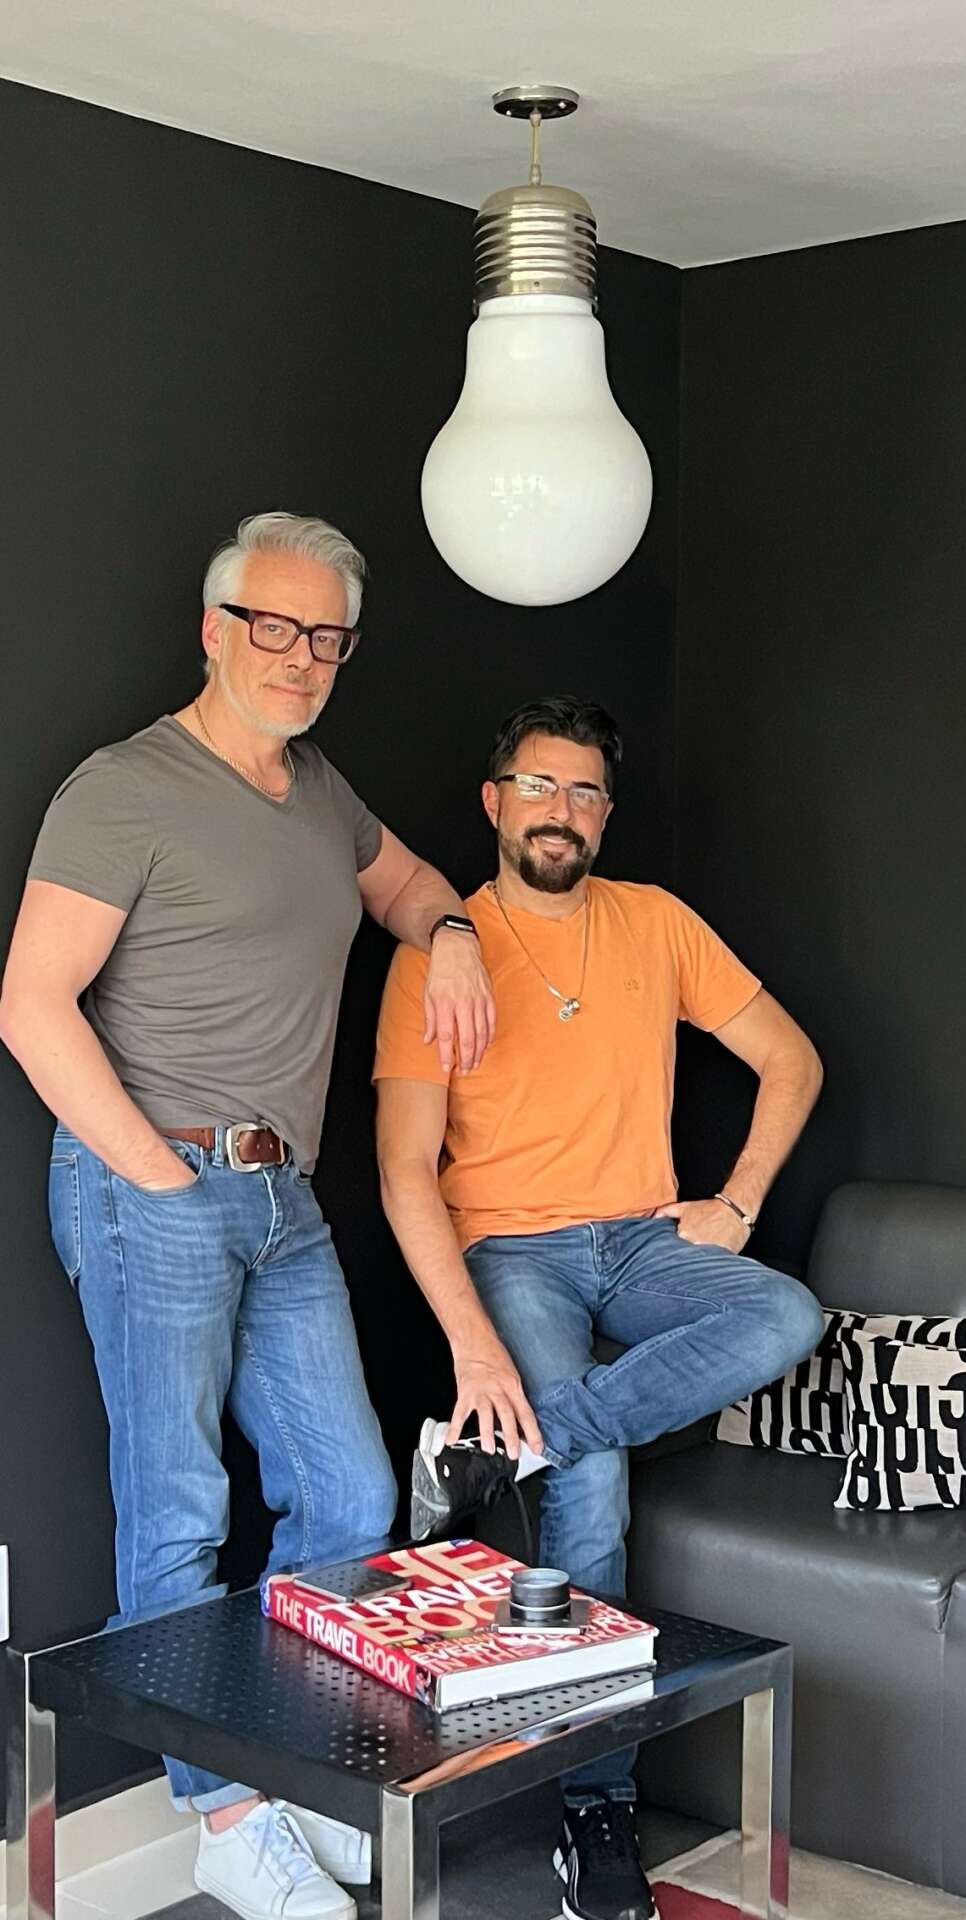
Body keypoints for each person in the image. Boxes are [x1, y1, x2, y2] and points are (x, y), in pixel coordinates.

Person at [0, 513, 496, 1920]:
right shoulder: (126, 788)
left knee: (348, 1496)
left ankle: (286, 1767)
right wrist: (157, 1178)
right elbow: (30, 1006)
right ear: (215, 631)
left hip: (283, 1197)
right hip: (152, 1183)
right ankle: (222, 1814)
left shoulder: (318, 791)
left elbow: (408, 886)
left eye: (326, 638)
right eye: (274, 628)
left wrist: (454, 933)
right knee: (177, 1514)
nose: (300, 658)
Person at [372, 694, 825, 1920]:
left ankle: (511, 1447)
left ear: (606, 814)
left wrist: (735, 1201)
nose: (559, 811)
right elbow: (404, 1171)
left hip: (643, 1237)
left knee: (786, 1318)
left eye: (583, 792)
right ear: (494, 801)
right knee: (594, 1492)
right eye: (538, 785)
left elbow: (792, 1058)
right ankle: (598, 1802)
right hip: (511, 1248)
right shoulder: (437, 955)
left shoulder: (655, 921)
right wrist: (473, 1345)